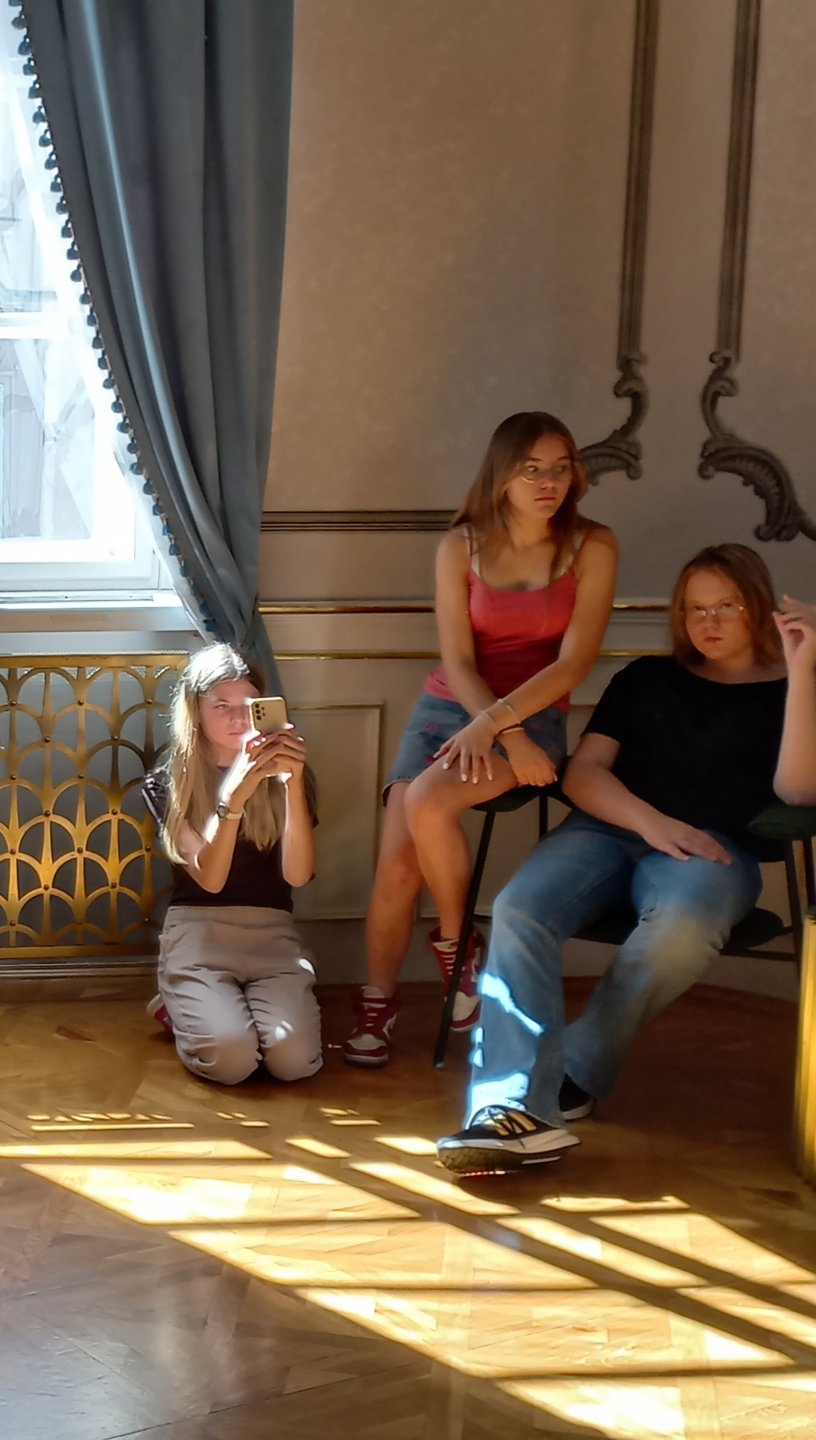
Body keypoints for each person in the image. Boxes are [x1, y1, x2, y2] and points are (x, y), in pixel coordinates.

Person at [436, 546, 816, 1174]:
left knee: (681, 927)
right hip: (609, 829)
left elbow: (799, 792)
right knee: (519, 907)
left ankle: (573, 1067)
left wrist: (802, 672)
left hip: (710, 852)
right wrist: (654, 824)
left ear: (758, 606)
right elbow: (584, 774)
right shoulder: (645, 678)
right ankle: (507, 1109)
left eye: (726, 605)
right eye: (694, 608)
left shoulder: (789, 689)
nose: (708, 621)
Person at [345, 413, 617, 1066]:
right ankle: (380, 1002)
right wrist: (498, 727)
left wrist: (509, 728)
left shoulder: (593, 545)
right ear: (502, 475)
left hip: (534, 712)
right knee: (397, 863)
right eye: (532, 469)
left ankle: (455, 944)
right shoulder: (458, 546)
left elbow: (573, 666)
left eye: (561, 468)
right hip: (452, 706)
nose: (549, 482)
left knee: (428, 801)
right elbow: (459, 663)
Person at [141, 644, 320, 1084]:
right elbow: (210, 879)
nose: (239, 719)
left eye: (249, 705)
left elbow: (298, 875)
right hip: (199, 933)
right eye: (222, 706)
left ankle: (212, 1008)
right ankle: (182, 1001)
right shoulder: (168, 782)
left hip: (272, 935)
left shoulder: (290, 773)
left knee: (293, 1062)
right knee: (232, 1061)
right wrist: (232, 801)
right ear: (196, 712)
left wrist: (293, 786)